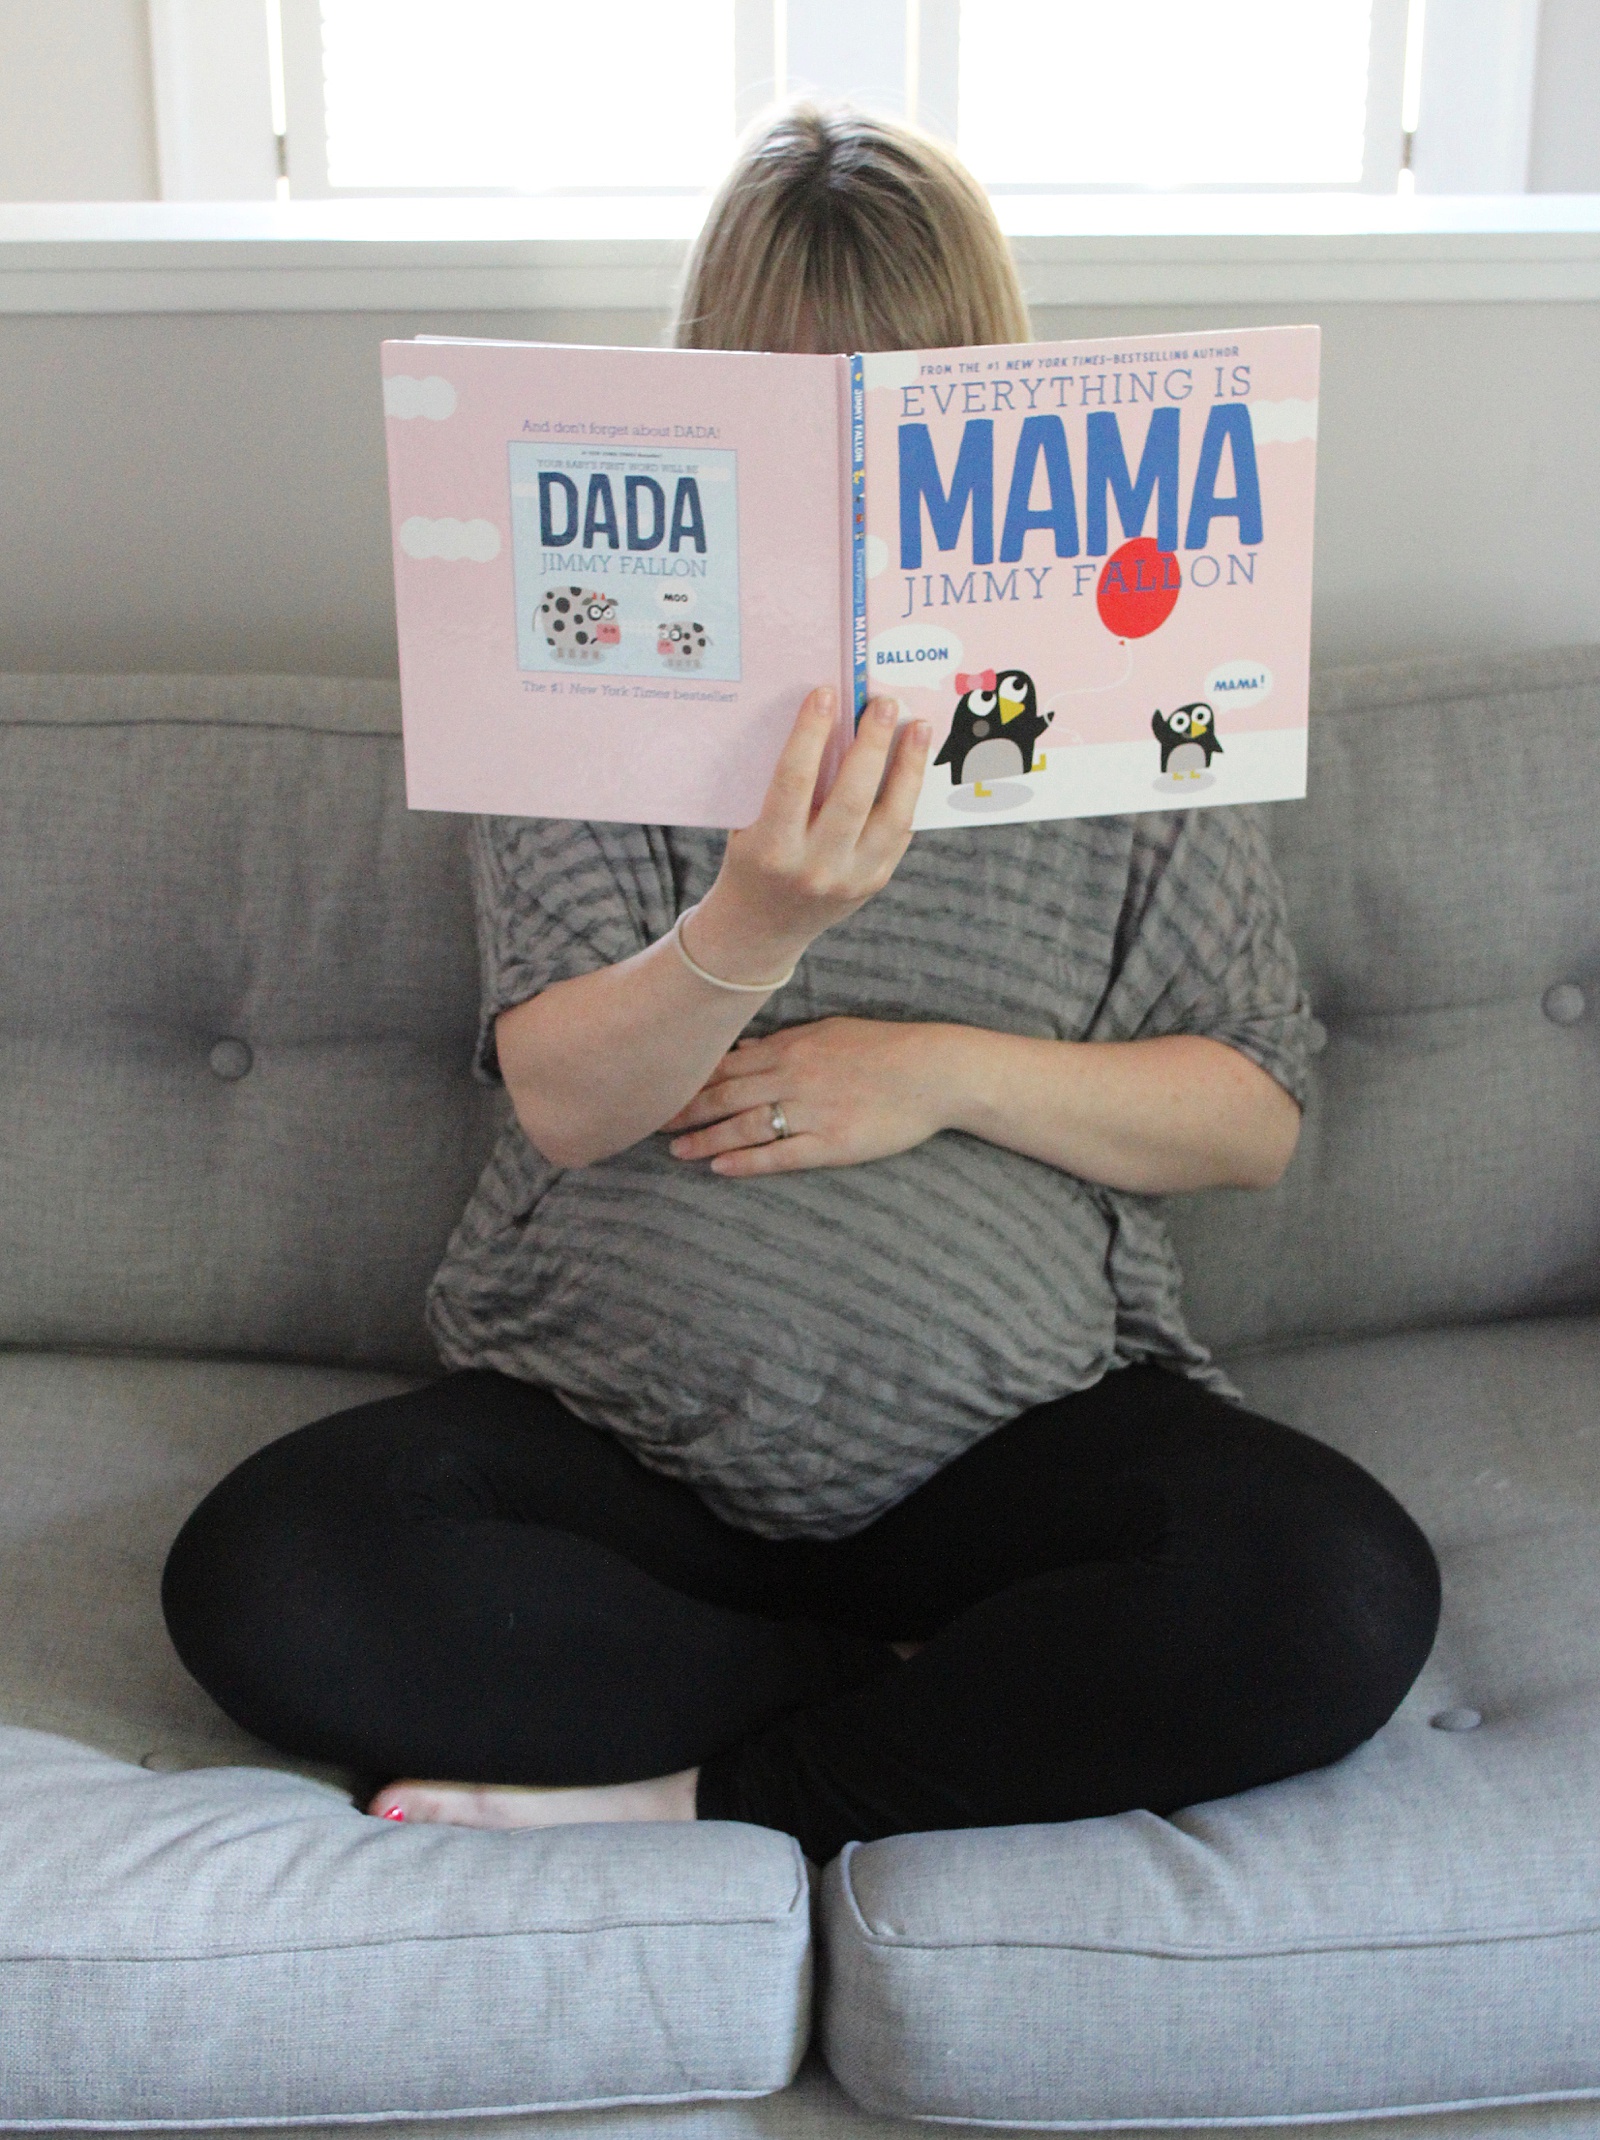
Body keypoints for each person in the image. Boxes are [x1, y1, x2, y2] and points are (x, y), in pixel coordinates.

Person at [162, 104, 1440, 1863]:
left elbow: (1254, 1117)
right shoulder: (578, 694)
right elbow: (568, 1099)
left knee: (1337, 1590)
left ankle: (710, 1785)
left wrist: (929, 1068)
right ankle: (935, 1694)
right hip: (608, 1447)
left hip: (1022, 1442)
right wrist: (748, 928)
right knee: (271, 1578)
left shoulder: (1139, 724)